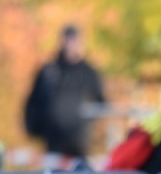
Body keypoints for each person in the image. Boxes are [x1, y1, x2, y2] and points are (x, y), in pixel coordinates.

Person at [23, 25, 105, 160]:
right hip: (53, 142)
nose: (70, 45)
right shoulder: (49, 71)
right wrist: (34, 129)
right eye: (68, 40)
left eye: (74, 41)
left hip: (80, 143)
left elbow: (101, 104)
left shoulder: (88, 73)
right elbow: (33, 102)